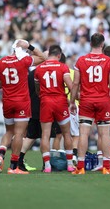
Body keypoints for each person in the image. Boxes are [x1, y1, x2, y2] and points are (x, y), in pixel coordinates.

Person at [0, 39, 45, 174]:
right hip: (21, 101)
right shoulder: (24, 61)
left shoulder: (1, 62)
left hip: (7, 101)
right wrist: (30, 46)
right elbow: (43, 58)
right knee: (19, 133)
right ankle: (13, 166)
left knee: (9, 131)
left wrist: (8, 86)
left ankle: (1, 154)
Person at [69, 33, 110, 175]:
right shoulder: (109, 62)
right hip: (103, 101)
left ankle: (80, 167)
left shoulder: (81, 60)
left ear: (90, 44)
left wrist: (72, 102)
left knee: (83, 134)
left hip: (86, 101)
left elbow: (75, 84)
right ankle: (107, 167)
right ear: (102, 44)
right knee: (104, 134)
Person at [34, 45, 75, 173]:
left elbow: (37, 89)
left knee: (45, 135)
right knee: (66, 133)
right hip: (60, 102)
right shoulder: (63, 67)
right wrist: (72, 100)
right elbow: (70, 85)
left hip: (46, 102)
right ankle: (69, 164)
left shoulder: (39, 68)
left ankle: (47, 166)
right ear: (59, 55)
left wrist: (42, 95)